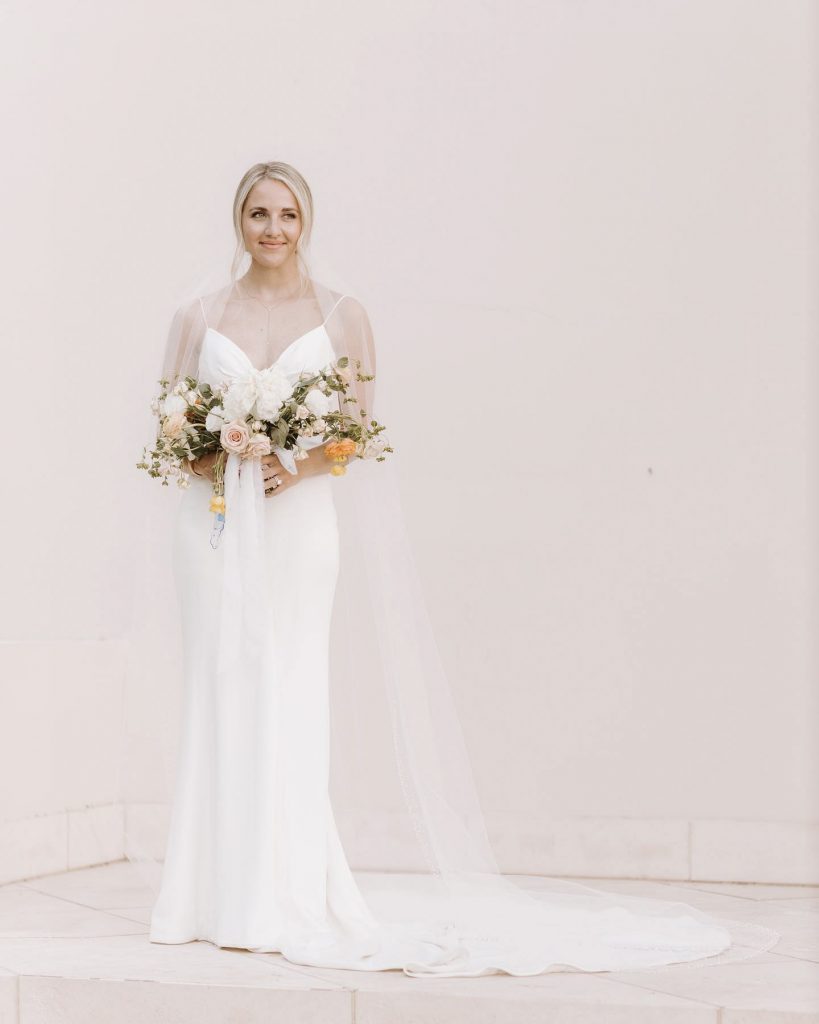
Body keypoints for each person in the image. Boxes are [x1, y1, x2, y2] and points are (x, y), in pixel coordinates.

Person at [138, 160, 779, 977]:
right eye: (257, 214)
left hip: (298, 528)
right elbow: (168, 428)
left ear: (307, 223)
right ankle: (203, 896)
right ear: (238, 221)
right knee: (220, 681)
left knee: (290, 685)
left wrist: (286, 466)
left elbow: (358, 432)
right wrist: (224, 452)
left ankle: (283, 890)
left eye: (286, 215)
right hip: (216, 532)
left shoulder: (340, 314)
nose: (271, 229)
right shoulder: (198, 314)